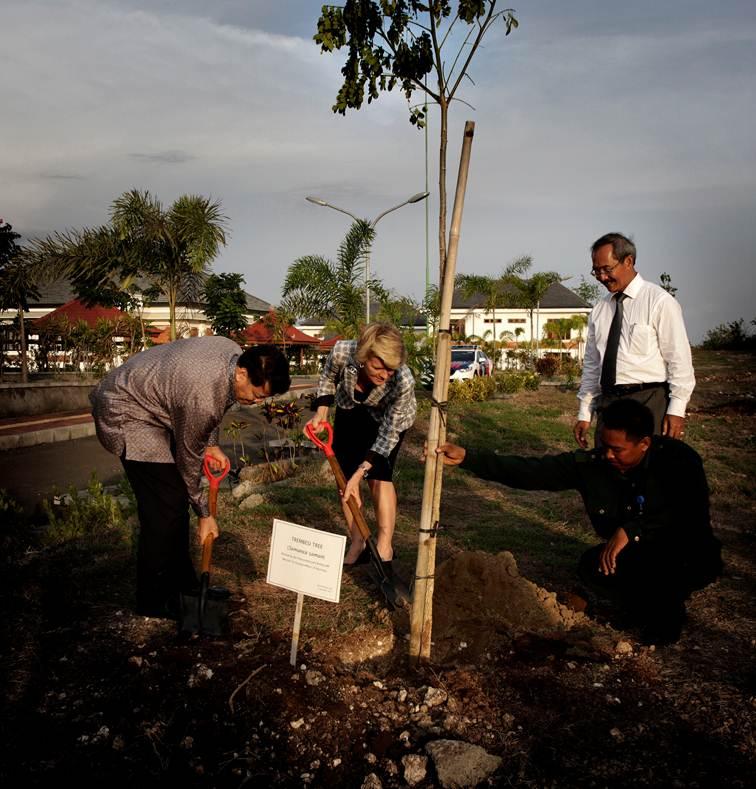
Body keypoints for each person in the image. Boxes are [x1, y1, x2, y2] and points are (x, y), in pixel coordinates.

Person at [435, 399, 722, 645]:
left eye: (617, 450)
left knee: (662, 603)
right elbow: (532, 471)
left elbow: (688, 515)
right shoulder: (595, 463)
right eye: (603, 445)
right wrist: (469, 458)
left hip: (683, 551)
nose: (608, 455)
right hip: (634, 554)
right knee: (592, 564)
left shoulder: (678, 460)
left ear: (644, 443)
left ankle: (660, 609)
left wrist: (633, 530)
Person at [90, 336, 291, 619]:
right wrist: (204, 513)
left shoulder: (233, 354)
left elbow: (214, 408)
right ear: (242, 373)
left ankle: (184, 586)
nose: (257, 403)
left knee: (172, 502)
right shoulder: (202, 393)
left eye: (264, 399)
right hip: (126, 410)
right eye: (258, 395)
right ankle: (153, 599)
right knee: (165, 506)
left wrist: (212, 444)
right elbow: (189, 459)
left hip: (155, 404)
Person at [305, 323, 417, 566]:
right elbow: (328, 376)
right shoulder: (343, 351)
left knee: (379, 476)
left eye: (390, 369)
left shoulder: (403, 380)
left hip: (389, 420)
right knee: (345, 481)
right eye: (379, 366)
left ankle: (384, 546)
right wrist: (322, 410)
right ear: (364, 356)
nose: (385, 374)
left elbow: (388, 435)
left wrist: (363, 469)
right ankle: (359, 541)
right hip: (351, 409)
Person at [574, 232, 695, 449]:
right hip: (609, 402)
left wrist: (676, 410)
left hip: (648, 402)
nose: (602, 277)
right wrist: (585, 412)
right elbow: (593, 366)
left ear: (628, 261)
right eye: (596, 271)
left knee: (648, 467)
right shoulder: (600, 310)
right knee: (608, 463)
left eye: (607, 269)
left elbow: (679, 360)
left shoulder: (659, 302)